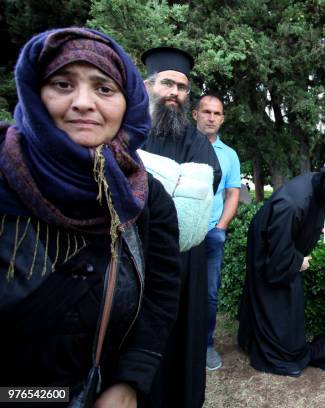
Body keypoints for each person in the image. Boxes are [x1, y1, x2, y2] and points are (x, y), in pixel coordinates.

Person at [0, 28, 180, 407]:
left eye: (103, 88)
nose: (83, 103)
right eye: (63, 84)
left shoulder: (144, 197)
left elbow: (160, 293)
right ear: (34, 91)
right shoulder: (6, 178)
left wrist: (128, 380)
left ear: (128, 102)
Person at [141, 47, 221, 408]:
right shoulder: (128, 128)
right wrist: (173, 185)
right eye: (167, 84)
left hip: (184, 260)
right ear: (148, 86)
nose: (175, 92)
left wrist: (147, 181)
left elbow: (204, 187)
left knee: (181, 337)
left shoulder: (195, 141)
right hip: (133, 256)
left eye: (183, 87)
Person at [237, 165, 325, 376]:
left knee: (287, 297)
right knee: (274, 298)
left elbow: (314, 208)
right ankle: (275, 351)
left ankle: (256, 339)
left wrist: (319, 221)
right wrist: (297, 261)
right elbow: (278, 248)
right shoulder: (292, 205)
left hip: (282, 243)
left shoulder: (320, 184)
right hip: (270, 249)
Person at [192, 94, 241, 371]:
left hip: (211, 233)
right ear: (195, 114)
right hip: (178, 234)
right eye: (206, 111)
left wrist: (221, 227)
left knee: (209, 294)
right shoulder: (180, 145)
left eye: (217, 113)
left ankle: (206, 345)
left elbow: (232, 193)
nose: (211, 117)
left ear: (222, 118)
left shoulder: (229, 155)